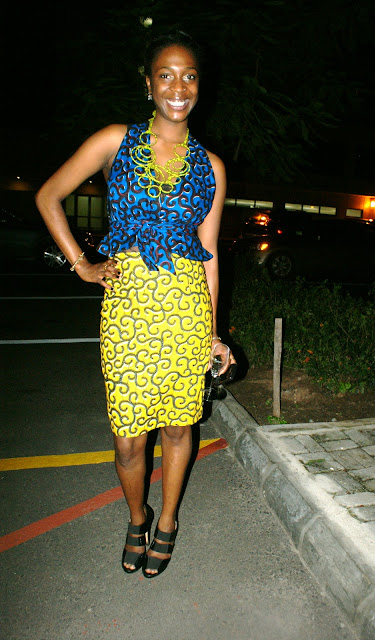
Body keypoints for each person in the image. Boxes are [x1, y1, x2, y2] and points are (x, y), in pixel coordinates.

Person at [36, 31, 235, 578]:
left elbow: (210, 253)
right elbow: (49, 195)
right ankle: (136, 515)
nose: (178, 86)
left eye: (189, 76)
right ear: (148, 84)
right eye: (166, 75)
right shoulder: (115, 141)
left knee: (178, 429)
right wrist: (82, 264)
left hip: (186, 308)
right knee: (128, 440)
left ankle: (166, 519)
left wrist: (213, 333)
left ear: (200, 86)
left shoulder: (212, 166)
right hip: (127, 308)